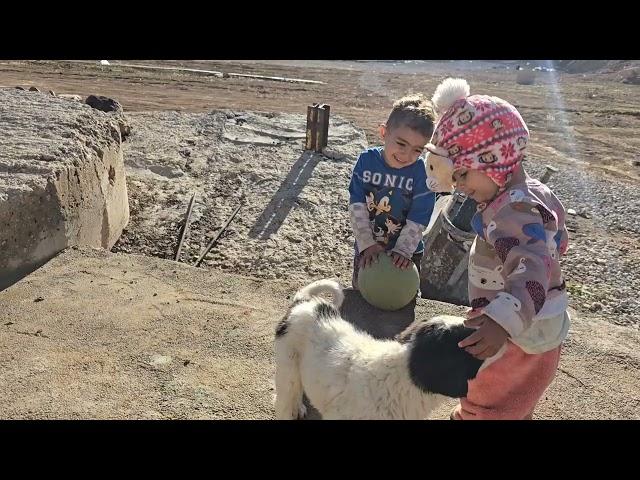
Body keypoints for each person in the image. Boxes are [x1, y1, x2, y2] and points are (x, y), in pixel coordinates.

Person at [426, 78, 570, 420]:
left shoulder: (514, 210)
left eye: (462, 175)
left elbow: (532, 269)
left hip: (521, 329)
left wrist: (501, 323)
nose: (459, 187)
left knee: (490, 391)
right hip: (528, 320)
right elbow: (556, 243)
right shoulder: (524, 194)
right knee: (515, 396)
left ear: (491, 160)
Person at [348, 94, 436, 288]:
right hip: (367, 245)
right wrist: (366, 243)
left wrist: (403, 251)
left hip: (406, 253)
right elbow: (356, 205)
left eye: (417, 150)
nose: (407, 155)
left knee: (399, 296)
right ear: (384, 132)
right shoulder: (366, 162)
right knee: (363, 291)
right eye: (401, 144)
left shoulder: (423, 173)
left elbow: (420, 217)